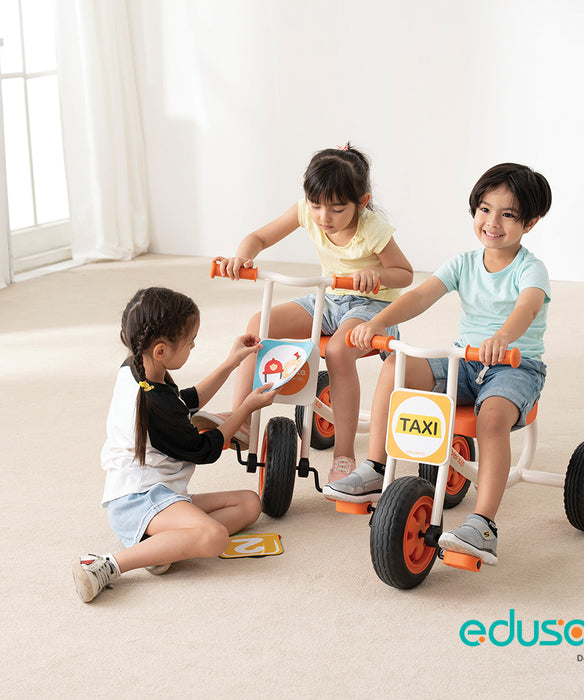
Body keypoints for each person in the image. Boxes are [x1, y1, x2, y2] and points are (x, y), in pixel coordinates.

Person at [324, 163, 552, 566]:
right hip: (465, 360)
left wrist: (502, 337)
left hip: (514, 366)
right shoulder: (464, 263)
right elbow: (420, 296)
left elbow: (527, 308)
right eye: (485, 210)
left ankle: (483, 524)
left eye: (508, 214)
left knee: (491, 419)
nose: (492, 222)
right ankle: (375, 467)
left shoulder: (530, 269)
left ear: (530, 223)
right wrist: (377, 322)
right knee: (396, 366)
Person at [214, 143, 413, 482]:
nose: (324, 217)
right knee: (259, 323)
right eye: (316, 205)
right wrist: (243, 257)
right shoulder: (306, 212)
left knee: (337, 351)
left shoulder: (372, 228)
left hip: (372, 307)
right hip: (329, 298)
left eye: (337, 208)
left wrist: (377, 275)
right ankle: (242, 419)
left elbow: (405, 274)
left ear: (361, 202)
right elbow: (258, 237)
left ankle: (345, 456)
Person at [72, 287, 278, 602]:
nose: (194, 344)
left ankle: (163, 546)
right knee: (215, 537)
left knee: (250, 504)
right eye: (190, 341)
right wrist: (245, 409)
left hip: (161, 494)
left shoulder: (138, 369)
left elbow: (185, 402)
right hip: (137, 501)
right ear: (160, 350)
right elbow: (205, 448)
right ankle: (107, 564)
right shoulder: (154, 404)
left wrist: (231, 363)